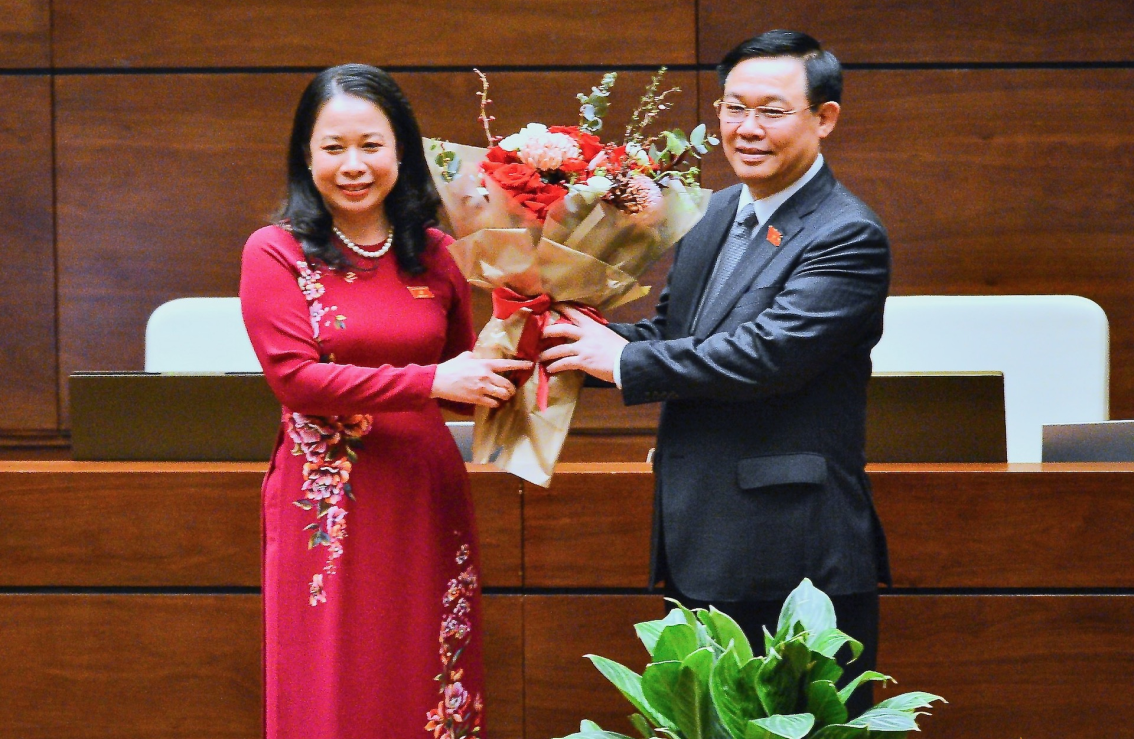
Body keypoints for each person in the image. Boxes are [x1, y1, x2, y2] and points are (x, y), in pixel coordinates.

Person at [540, 31, 891, 716]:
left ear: (824, 119)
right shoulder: (715, 214)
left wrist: (619, 359)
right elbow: (677, 336)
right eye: (733, 108)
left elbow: (767, 354)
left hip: (794, 558)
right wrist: (564, 340)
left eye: (772, 110)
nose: (747, 128)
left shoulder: (847, 233)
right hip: (703, 539)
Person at [239, 64, 529, 739]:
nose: (353, 164)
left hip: (425, 491)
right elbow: (296, 380)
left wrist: (539, 335)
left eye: (371, 144)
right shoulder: (275, 251)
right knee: (332, 677)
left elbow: (467, 376)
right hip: (327, 499)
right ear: (304, 156)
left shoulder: (438, 252)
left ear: (402, 150)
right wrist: (431, 382)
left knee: (426, 667)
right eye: (333, 147)